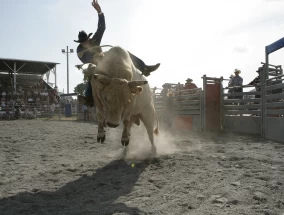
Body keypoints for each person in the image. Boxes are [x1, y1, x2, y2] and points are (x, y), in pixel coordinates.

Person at [75, 0, 160, 106]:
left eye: (86, 40)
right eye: (83, 41)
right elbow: (85, 60)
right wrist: (95, 59)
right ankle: (89, 98)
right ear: (81, 43)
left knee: (124, 53)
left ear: (88, 38)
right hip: (96, 64)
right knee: (91, 74)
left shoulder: (94, 40)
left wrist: (100, 12)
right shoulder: (79, 50)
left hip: (105, 59)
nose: (85, 42)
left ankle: (144, 68)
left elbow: (101, 28)